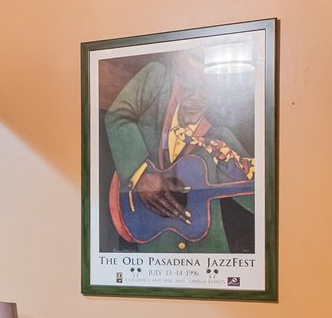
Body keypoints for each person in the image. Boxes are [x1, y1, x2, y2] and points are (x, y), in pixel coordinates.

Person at [103, 49, 253, 252]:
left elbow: (257, 200)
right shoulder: (155, 79)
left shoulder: (221, 139)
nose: (195, 98)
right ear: (178, 80)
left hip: (207, 256)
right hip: (155, 253)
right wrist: (140, 176)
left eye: (204, 90)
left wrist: (233, 167)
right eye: (189, 86)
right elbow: (118, 115)